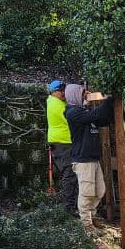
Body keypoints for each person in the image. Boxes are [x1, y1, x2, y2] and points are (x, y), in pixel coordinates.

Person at [64, 84, 114, 230]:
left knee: (100, 191)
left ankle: (92, 216)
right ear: (75, 96)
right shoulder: (73, 113)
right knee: (87, 193)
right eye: (83, 93)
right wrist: (108, 98)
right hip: (82, 159)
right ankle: (86, 224)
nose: (86, 95)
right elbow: (96, 115)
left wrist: (108, 105)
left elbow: (102, 120)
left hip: (92, 158)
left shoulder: (84, 112)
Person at [45, 79, 78, 215]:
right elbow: (72, 117)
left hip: (61, 142)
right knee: (69, 174)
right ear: (54, 92)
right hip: (62, 142)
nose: (64, 93)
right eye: (61, 91)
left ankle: (71, 205)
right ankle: (69, 208)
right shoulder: (56, 105)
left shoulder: (55, 101)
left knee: (70, 173)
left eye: (64, 90)